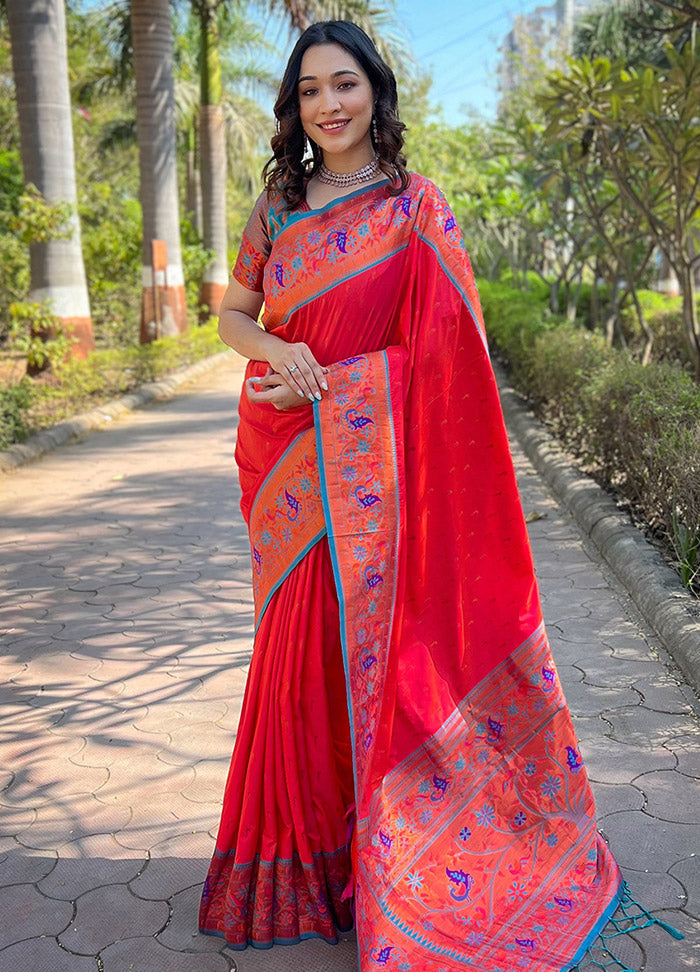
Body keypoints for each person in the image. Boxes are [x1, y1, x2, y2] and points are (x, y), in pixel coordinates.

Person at [198, 20, 678, 971]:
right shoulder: (278, 205)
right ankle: (301, 861)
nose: (327, 105)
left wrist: (349, 383)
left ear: (375, 90)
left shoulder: (420, 207)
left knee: (384, 660)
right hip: (287, 458)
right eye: (307, 92)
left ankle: (394, 859)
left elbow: (450, 361)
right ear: (294, 109)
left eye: (344, 84)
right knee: (299, 657)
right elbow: (232, 315)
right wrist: (279, 354)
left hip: (380, 469)